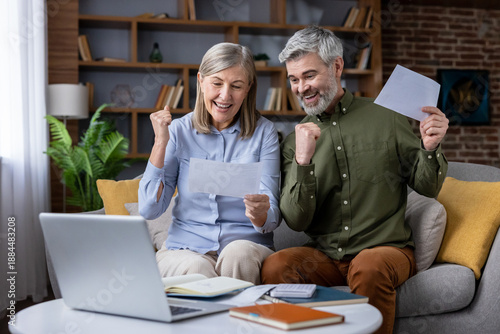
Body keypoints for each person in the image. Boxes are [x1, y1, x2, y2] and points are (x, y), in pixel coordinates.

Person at [260, 26, 449, 334]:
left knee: (369, 266)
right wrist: (303, 162)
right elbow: (295, 219)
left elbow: (427, 187)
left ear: (337, 66)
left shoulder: (386, 116)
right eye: (293, 79)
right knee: (275, 265)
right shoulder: (294, 143)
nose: (300, 88)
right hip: (325, 258)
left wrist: (430, 149)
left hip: (385, 250)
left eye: (309, 75)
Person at [139, 42, 280, 285]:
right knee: (196, 267)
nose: (225, 96)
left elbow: (272, 216)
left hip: (246, 246)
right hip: (184, 249)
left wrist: (260, 214)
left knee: (239, 255)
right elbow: (149, 210)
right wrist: (160, 143)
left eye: (236, 86)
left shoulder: (264, 133)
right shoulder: (179, 131)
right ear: (201, 81)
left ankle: (239, 322)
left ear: (248, 89)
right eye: (217, 83)